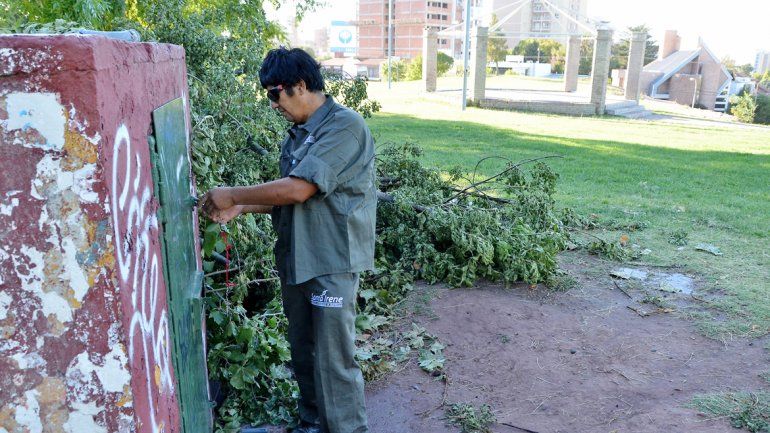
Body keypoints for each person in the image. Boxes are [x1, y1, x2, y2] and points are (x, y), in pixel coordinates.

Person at [200, 48, 375, 433]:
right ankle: (313, 423)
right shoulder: (300, 133)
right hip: (300, 258)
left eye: (274, 93)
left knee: (334, 359)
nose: (272, 104)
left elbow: (297, 190)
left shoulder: (345, 127)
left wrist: (233, 192)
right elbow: (294, 198)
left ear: (298, 85)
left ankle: (347, 429)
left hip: (332, 260)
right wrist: (242, 207)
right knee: (304, 350)